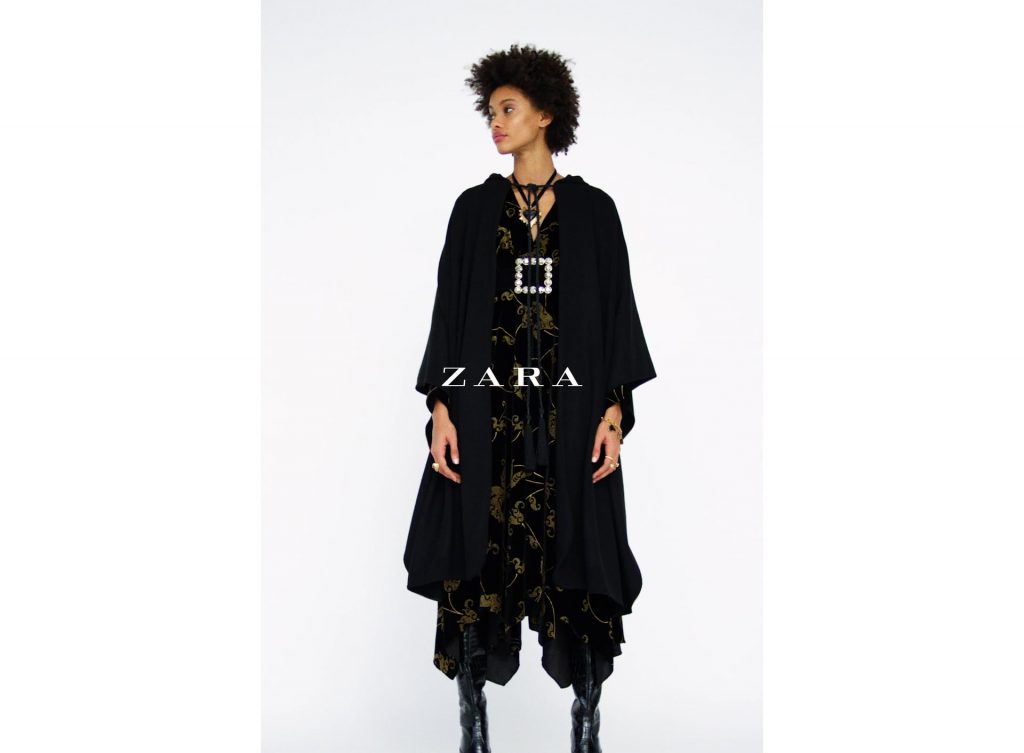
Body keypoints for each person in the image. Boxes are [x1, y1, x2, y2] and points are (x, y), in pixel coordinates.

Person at [403, 43, 656, 753]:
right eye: (490, 111)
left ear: (546, 114)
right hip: (486, 423)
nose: (496, 122)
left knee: (581, 561)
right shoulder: (473, 210)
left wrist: (614, 412)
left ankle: (586, 725)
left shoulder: (595, 213)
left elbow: (617, 316)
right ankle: (473, 728)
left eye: (508, 109)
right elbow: (449, 314)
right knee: (474, 561)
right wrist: (442, 407)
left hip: (569, 426)